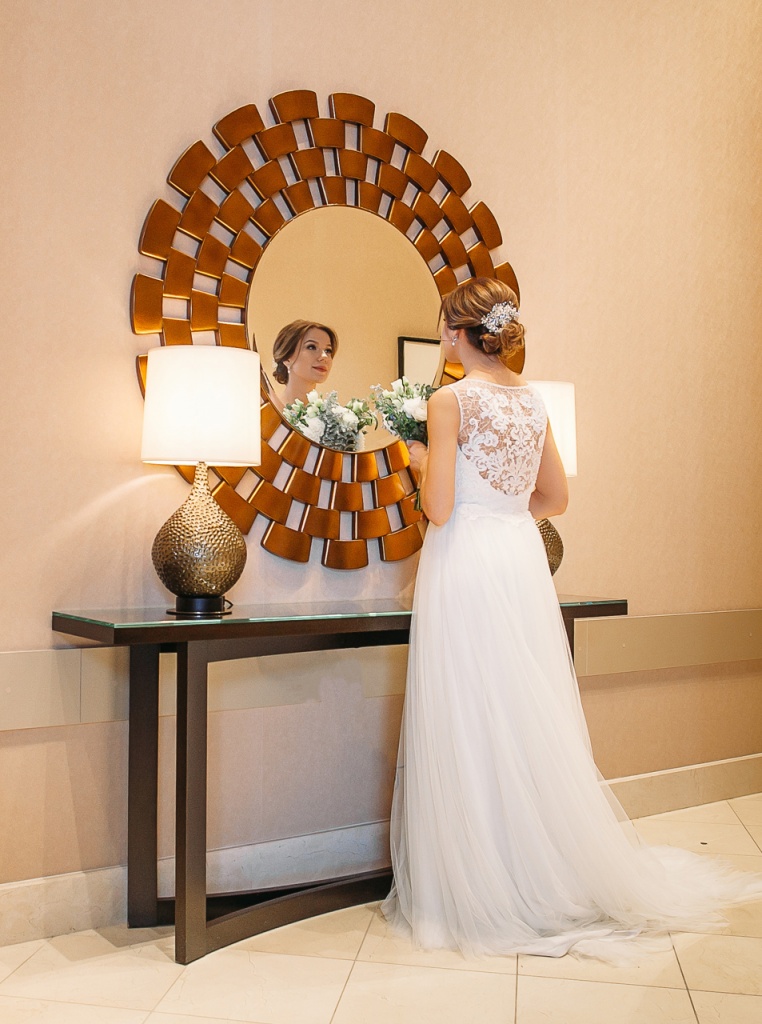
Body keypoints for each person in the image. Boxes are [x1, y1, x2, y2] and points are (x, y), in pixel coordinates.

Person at [381, 277, 762, 961]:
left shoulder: (448, 400)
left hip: (465, 560)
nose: (441, 338)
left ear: (458, 333)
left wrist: (415, 460)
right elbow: (555, 498)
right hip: (518, 558)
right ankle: (541, 869)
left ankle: (484, 880)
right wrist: (502, 516)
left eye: (443, 327)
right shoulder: (533, 401)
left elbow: (437, 509)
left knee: (470, 709)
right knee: (524, 708)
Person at [270, 319, 338, 410]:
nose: (324, 356)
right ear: (287, 358)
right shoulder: (266, 412)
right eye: (312, 347)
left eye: (328, 350)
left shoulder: (333, 415)